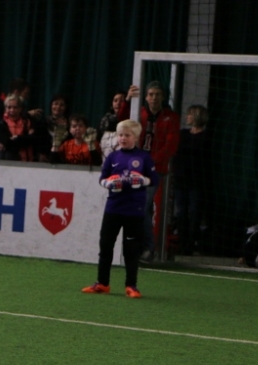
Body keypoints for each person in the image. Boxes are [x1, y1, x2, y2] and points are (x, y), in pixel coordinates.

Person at [81, 120, 160, 298]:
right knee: (105, 246)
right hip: (113, 208)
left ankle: (131, 286)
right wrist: (108, 183)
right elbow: (102, 178)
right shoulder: (112, 157)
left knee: (131, 249)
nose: (123, 138)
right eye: (120, 135)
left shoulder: (144, 157)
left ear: (136, 137)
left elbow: (154, 179)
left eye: (127, 135)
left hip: (134, 210)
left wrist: (143, 180)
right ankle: (102, 283)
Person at [138, 81, 180, 261]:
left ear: (163, 97)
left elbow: (171, 146)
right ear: (146, 97)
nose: (154, 98)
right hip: (136, 168)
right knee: (145, 209)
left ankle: (149, 247)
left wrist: (150, 161)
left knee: (142, 205)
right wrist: (127, 101)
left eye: (157, 94)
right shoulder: (139, 113)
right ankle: (144, 248)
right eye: (151, 94)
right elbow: (123, 124)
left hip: (154, 169)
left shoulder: (171, 117)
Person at [172, 105, 211, 255]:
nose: (187, 117)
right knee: (181, 212)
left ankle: (191, 243)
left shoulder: (206, 136)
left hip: (197, 180)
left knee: (194, 212)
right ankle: (181, 242)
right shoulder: (183, 134)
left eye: (189, 114)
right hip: (181, 179)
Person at [0, 93, 35, 161]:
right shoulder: (1, 123)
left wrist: (18, 139)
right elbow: (2, 142)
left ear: (20, 109)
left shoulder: (27, 122)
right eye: (9, 107)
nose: (12, 110)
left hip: (26, 159)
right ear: (5, 109)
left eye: (15, 107)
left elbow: (31, 139)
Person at [98, 86, 138, 158]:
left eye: (121, 101)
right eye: (115, 100)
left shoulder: (130, 118)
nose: (118, 103)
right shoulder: (105, 119)